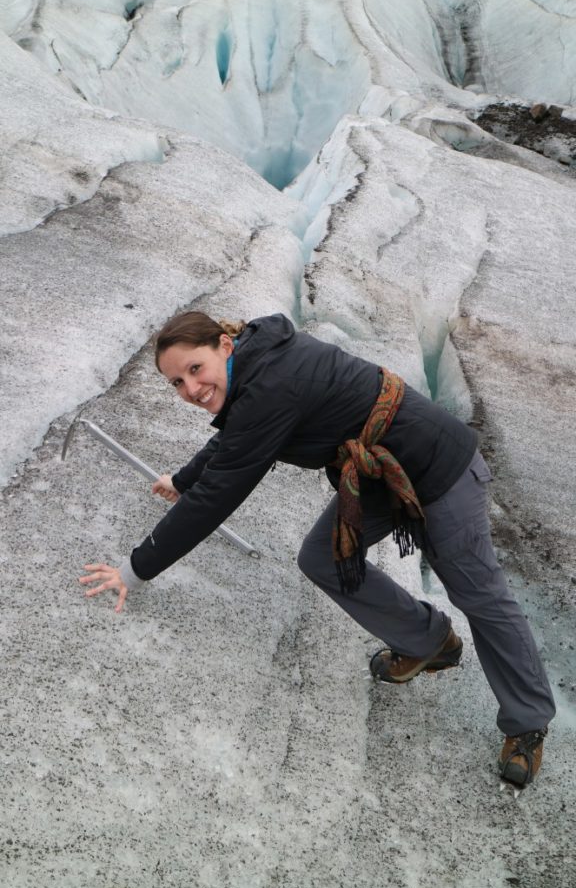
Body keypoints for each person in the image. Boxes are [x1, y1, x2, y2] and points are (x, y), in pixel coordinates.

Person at [80, 311, 555, 787]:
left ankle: (528, 721)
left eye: (194, 369)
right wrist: (184, 480)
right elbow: (234, 439)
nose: (190, 388)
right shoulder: (257, 364)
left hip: (438, 469)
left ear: (225, 345)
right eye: (176, 383)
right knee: (323, 559)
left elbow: (219, 493)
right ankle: (429, 641)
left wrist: (135, 568)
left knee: (479, 595)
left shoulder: (271, 384)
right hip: (378, 478)